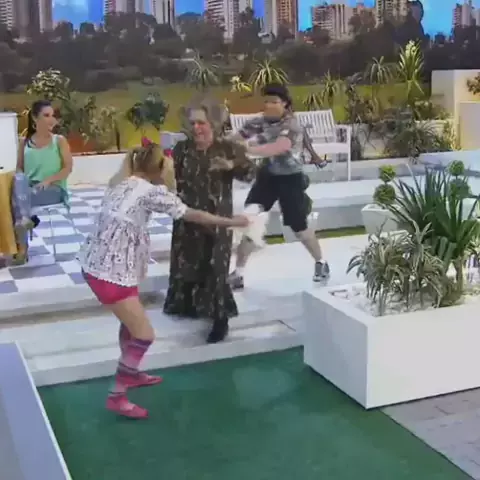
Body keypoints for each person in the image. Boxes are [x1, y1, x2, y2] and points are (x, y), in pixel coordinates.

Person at [78, 142, 250, 419]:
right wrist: (232, 222)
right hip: (111, 273)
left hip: (101, 265)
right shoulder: (151, 192)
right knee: (144, 335)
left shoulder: (123, 182)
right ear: (159, 169)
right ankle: (117, 395)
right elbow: (192, 214)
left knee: (130, 324)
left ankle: (131, 372)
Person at [163, 96, 257, 344]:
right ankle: (189, 306)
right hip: (187, 216)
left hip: (217, 219)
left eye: (201, 123)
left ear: (212, 123)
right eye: (193, 123)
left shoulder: (227, 148)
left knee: (216, 267)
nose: (196, 128)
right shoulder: (182, 149)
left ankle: (220, 319)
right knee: (188, 263)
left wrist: (231, 166)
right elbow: (169, 178)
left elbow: (251, 173)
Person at [227, 83, 330, 289]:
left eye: (274, 102)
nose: (269, 105)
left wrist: (247, 149)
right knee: (250, 218)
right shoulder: (259, 122)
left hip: (290, 179)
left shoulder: (292, 125)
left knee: (298, 227)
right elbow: (234, 138)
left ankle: (321, 262)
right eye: (266, 101)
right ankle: (238, 273)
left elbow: (279, 147)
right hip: (268, 177)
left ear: (285, 104)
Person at [12, 100, 73, 262]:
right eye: (46, 115)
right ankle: (26, 220)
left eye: (53, 115)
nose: (52, 119)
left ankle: (22, 249)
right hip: (29, 190)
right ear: (34, 118)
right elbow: (19, 168)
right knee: (18, 184)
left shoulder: (59, 141)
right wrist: (23, 184)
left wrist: (48, 181)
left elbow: (67, 168)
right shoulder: (24, 142)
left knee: (17, 202)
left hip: (53, 189)